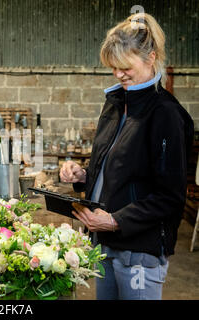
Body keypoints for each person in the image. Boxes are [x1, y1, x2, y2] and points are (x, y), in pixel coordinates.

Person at [59, 13, 194, 300]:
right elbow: (120, 166)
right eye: (113, 68)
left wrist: (116, 220)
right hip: (105, 243)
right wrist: (84, 174)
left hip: (139, 250)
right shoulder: (116, 104)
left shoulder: (166, 115)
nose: (119, 75)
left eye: (125, 67)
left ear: (151, 58)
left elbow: (170, 197)